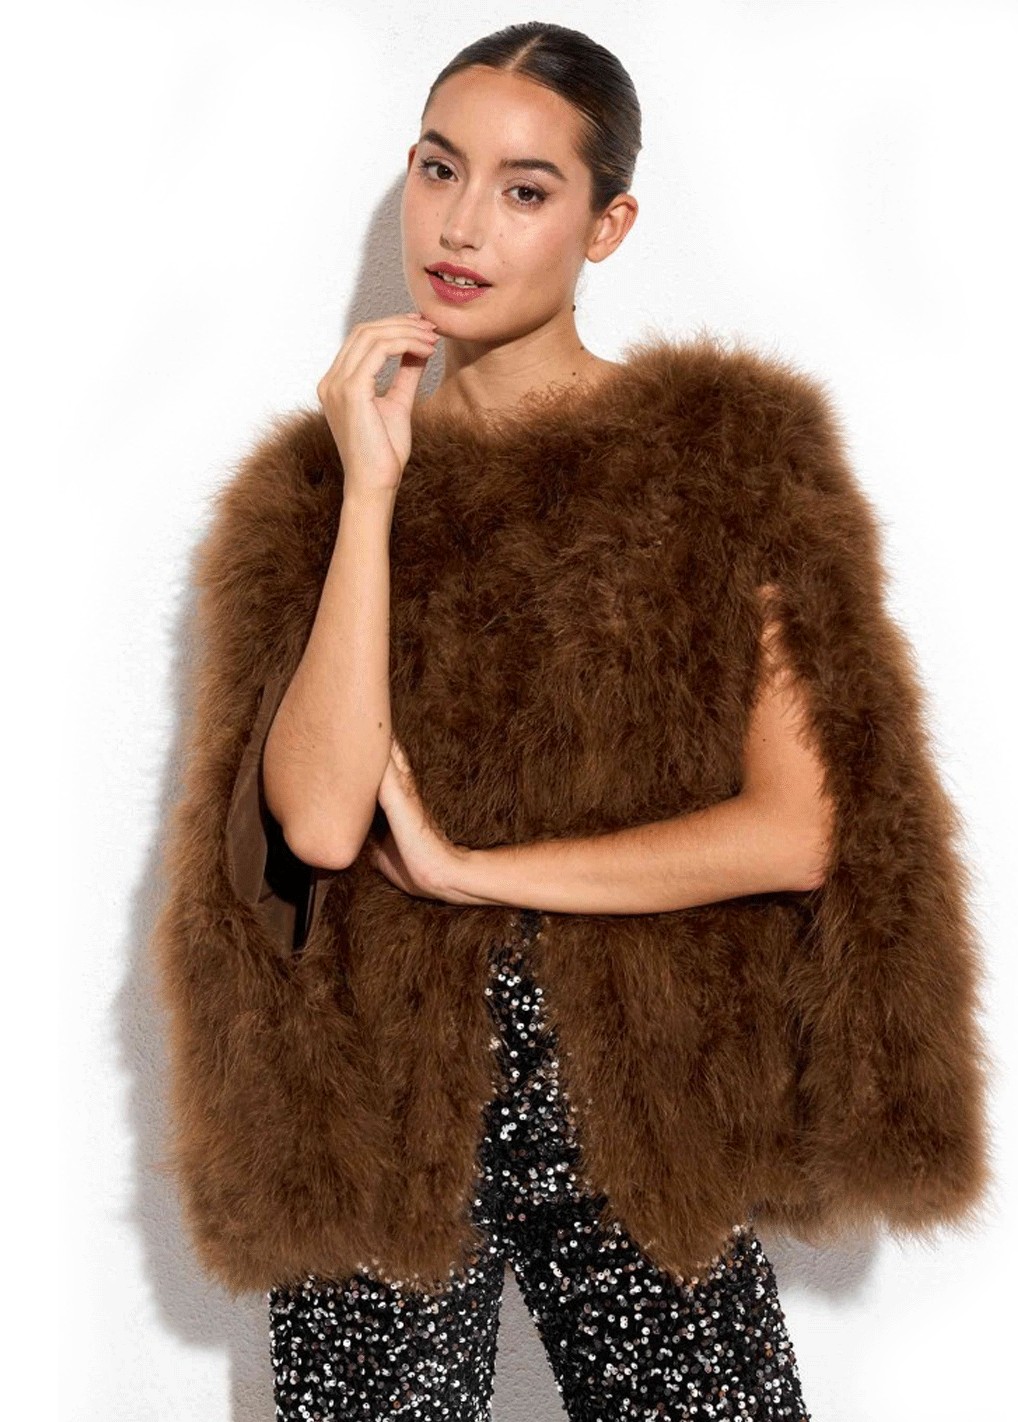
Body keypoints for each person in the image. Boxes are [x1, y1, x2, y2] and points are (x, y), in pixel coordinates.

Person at [260, 21, 822, 1421]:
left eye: (525, 189)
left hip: (642, 1096)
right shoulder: (325, 485)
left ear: (607, 225)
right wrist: (370, 495)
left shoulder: (719, 463)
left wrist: (476, 871)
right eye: (439, 169)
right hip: (384, 1104)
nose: (461, 226)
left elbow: (797, 825)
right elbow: (318, 822)